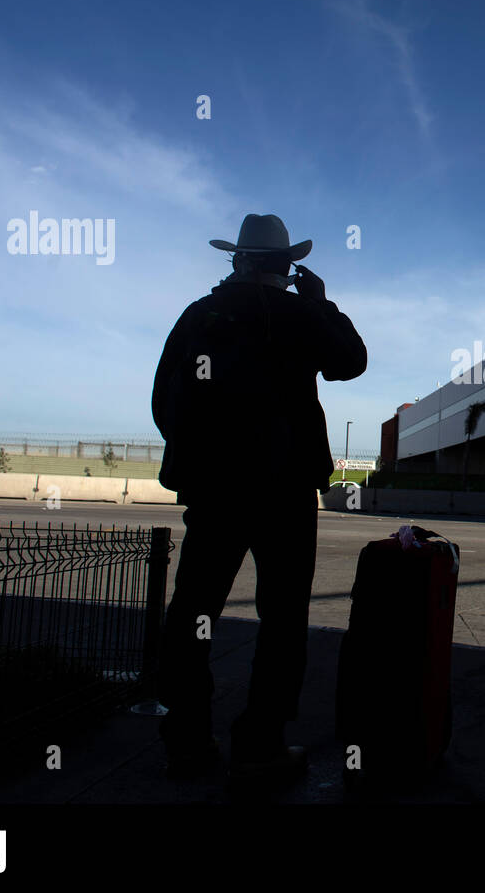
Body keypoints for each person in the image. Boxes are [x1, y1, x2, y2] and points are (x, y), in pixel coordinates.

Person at [151, 213, 367, 783]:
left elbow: (163, 401)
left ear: (238, 260)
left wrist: (199, 459)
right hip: (286, 493)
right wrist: (322, 303)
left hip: (216, 491)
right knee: (282, 621)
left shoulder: (201, 316)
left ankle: (188, 744)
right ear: (287, 266)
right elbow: (351, 362)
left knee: (193, 616)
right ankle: (260, 745)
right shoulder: (301, 315)